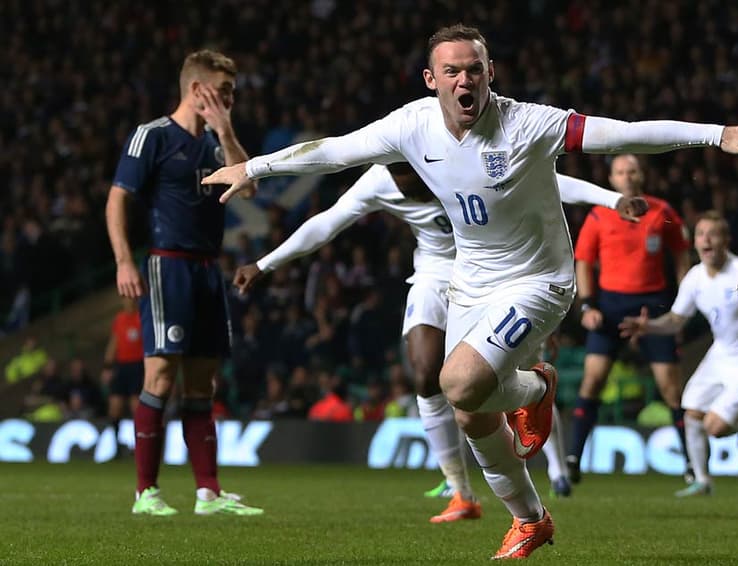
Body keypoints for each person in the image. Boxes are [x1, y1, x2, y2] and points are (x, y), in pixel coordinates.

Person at [203, 25, 738, 559]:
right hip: (470, 282)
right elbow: (333, 150)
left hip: (539, 281)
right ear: (432, 80)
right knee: (470, 413)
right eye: (452, 71)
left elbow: (621, 135)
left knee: (456, 380)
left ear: (491, 72)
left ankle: (535, 387)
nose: (465, 80)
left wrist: (717, 134)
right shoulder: (410, 126)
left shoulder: (527, 123)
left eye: (474, 69)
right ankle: (530, 518)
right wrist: (256, 168)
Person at [232, 161, 636, 523]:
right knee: (426, 374)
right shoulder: (379, 181)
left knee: (514, 378)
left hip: (495, 275)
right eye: (403, 182)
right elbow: (327, 222)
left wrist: (612, 199)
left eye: (416, 179)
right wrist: (266, 263)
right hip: (434, 275)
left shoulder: (460, 160)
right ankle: (460, 491)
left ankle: (556, 468)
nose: (413, 189)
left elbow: (551, 182)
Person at [105, 49, 262, 516]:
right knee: (161, 374)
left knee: (202, 384)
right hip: (165, 265)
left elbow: (248, 186)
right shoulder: (151, 137)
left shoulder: (218, 142)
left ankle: (208, 494)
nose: (231, 98)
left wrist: (226, 130)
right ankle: (145, 493)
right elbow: (117, 201)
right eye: (225, 91)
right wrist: (123, 262)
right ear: (198, 90)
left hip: (206, 269)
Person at [619, 211, 738, 497]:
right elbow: (676, 320)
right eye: (701, 234)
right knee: (691, 414)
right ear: (695, 242)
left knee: (713, 427)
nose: (706, 239)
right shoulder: (695, 278)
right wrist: (647, 326)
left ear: (727, 240)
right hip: (720, 354)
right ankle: (701, 480)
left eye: (713, 234)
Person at [567, 154, 694, 487]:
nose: (628, 176)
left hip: (653, 304)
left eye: (633, 170)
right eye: (621, 171)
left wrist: (684, 302)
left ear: (643, 175)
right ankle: (572, 459)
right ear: (612, 179)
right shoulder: (598, 214)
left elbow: (682, 255)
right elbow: (583, 262)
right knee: (592, 380)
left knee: (670, 388)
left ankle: (692, 465)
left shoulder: (662, 211)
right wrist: (588, 306)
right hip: (610, 305)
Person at [101, 297, 145, 454]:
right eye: (126, 299)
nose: (129, 302)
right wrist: (107, 366)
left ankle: (141, 446)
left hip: (138, 366)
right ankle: (116, 446)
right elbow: (114, 342)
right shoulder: (119, 319)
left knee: (137, 407)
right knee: (115, 407)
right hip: (121, 367)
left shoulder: (142, 317)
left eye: (132, 299)